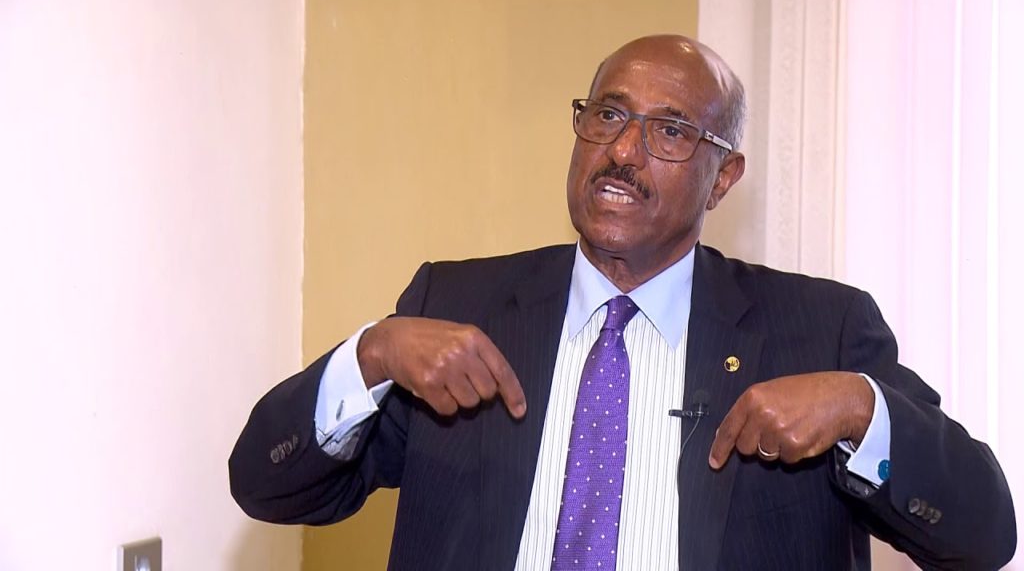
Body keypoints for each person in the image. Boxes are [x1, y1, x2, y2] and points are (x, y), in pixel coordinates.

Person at [229, 34, 1016, 570]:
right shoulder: (458, 304)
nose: (624, 150)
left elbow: (983, 535)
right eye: (608, 114)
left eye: (670, 131)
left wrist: (860, 410)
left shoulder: (820, 330)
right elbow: (269, 486)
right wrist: (370, 355)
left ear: (724, 177)